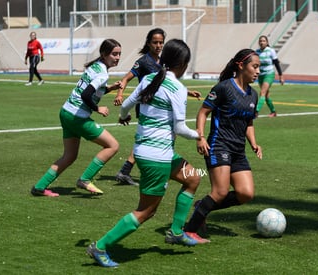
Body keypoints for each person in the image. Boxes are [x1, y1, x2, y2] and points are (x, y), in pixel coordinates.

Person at [87, 39, 201, 268]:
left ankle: (176, 232)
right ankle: (100, 247)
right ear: (183, 63)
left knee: (194, 177)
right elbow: (180, 128)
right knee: (146, 211)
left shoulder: (150, 79)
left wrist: (123, 116)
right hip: (156, 157)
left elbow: (127, 103)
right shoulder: (177, 88)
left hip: (151, 152)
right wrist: (199, 135)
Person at [184, 49, 263, 243]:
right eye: (255, 66)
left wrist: (254, 143)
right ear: (241, 66)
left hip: (238, 150)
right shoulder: (223, 88)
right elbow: (203, 113)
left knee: (246, 194)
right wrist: (200, 137)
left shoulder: (253, 95)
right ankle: (189, 230)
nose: (258, 71)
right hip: (219, 145)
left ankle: (202, 206)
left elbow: (249, 122)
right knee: (220, 192)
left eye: (259, 67)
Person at [30, 39, 124, 197]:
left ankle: (39, 187)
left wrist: (110, 89)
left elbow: (90, 90)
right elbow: (86, 94)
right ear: (104, 54)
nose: (117, 57)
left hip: (66, 112)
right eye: (114, 54)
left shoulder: (95, 67)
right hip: (77, 117)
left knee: (70, 155)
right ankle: (85, 179)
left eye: (119, 54)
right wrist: (97, 108)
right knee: (112, 146)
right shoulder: (102, 73)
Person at [113, 28, 201, 186]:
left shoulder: (162, 62)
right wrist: (120, 94)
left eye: (161, 42)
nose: (159, 45)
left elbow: (164, 85)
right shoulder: (143, 62)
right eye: (155, 42)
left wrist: (187, 92)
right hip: (148, 106)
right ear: (148, 43)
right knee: (153, 136)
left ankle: (126, 170)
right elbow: (126, 79)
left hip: (157, 107)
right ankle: (132, 169)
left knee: (148, 138)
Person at [255, 35, 284, 117]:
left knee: (262, 93)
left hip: (269, 74)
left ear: (267, 42)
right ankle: (273, 111)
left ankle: (256, 111)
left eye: (263, 41)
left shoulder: (271, 51)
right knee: (266, 95)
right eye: (260, 41)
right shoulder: (257, 52)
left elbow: (276, 63)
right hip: (261, 75)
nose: (261, 42)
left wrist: (281, 76)